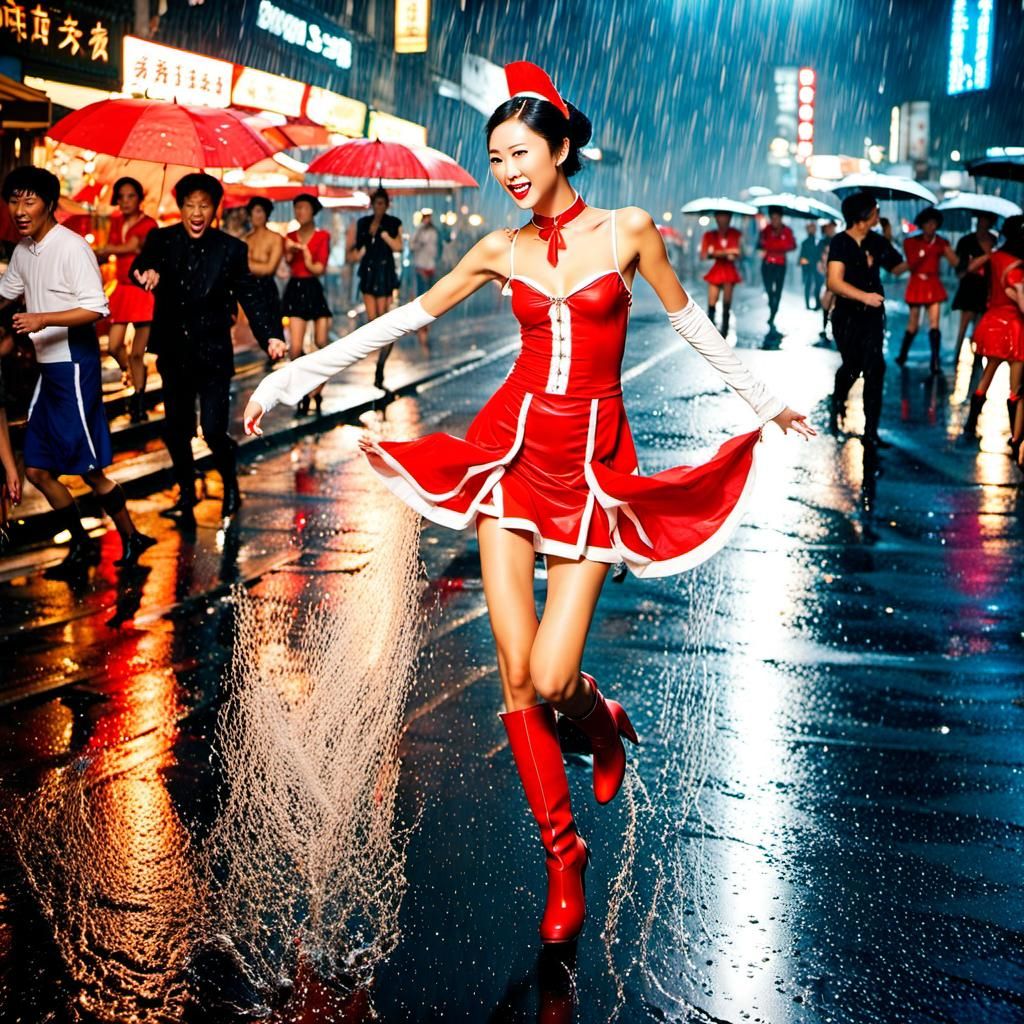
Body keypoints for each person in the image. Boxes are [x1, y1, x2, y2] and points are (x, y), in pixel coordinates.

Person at [244, 61, 813, 946]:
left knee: (554, 678)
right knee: (516, 680)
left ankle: (600, 720)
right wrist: (292, 377)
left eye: (520, 152)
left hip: (591, 467)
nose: (508, 169)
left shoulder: (628, 231)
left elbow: (692, 322)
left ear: (560, 150)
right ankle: (563, 857)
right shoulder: (497, 249)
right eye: (496, 156)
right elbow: (401, 320)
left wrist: (763, 400)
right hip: (510, 460)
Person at [0, 166, 154, 572]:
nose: (20, 209)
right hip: (46, 372)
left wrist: (42, 319)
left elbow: (96, 307)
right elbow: (6, 294)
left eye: (29, 200)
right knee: (36, 469)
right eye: (14, 200)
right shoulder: (22, 251)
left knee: (89, 471)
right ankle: (82, 544)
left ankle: (131, 535)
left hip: (73, 367)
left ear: (49, 204)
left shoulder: (71, 247)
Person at [130, 173, 286, 531]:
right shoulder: (162, 239)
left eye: (204, 206)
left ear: (214, 210)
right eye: (190, 205)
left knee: (213, 430)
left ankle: (230, 483)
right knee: (176, 429)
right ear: (181, 208)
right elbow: (137, 266)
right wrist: (147, 272)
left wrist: (270, 337)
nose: (197, 213)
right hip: (173, 351)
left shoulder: (232, 249)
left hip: (214, 353)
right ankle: (187, 490)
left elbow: (251, 294)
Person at [826, 191, 909, 447]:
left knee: (875, 369)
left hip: (872, 317)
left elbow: (898, 267)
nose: (879, 214)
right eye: (876, 209)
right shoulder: (841, 242)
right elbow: (834, 282)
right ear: (863, 216)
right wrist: (864, 296)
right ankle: (838, 400)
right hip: (846, 316)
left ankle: (871, 432)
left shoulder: (876, 241)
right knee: (852, 365)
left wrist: (891, 237)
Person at [94, 176, 157, 423]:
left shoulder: (149, 224)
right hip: (121, 291)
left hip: (142, 290)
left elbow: (131, 246)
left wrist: (106, 250)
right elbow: (115, 247)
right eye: (121, 196)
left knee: (137, 354)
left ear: (139, 198)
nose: (126, 201)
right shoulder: (116, 221)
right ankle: (128, 374)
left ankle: (138, 402)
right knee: (113, 346)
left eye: (131, 196)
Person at [960, 215, 1024, 447]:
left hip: (992, 322)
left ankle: (970, 425)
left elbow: (972, 270)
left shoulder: (996, 257)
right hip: (1015, 327)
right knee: (1015, 387)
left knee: (986, 377)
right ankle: (1016, 437)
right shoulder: (1017, 265)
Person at [281, 193, 332, 414]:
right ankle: (302, 391)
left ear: (313, 211)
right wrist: (291, 251)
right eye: (296, 208)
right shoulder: (290, 236)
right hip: (295, 288)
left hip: (313, 288)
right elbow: (289, 262)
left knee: (321, 343)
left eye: (303, 208)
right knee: (295, 349)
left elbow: (319, 269)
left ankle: (318, 388)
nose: (299, 212)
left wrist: (306, 254)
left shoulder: (323, 235)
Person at [348, 188, 403, 388]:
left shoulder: (393, 222)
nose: (379, 207)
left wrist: (385, 236)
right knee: (373, 323)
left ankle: (381, 364)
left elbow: (398, 246)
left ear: (387, 205)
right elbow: (355, 251)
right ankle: (380, 359)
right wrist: (365, 242)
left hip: (384, 271)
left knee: (384, 321)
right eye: (376, 203)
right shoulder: (363, 223)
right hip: (369, 272)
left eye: (382, 203)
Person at [894, 208, 957, 374]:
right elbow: (912, 262)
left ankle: (935, 361)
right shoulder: (912, 242)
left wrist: (950, 250)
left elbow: (954, 261)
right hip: (917, 282)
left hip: (932, 283)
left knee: (934, 323)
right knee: (913, 323)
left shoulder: (941, 243)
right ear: (922, 225)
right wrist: (925, 250)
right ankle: (902, 355)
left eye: (934, 224)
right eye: (928, 223)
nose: (932, 227)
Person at [951, 212, 997, 370]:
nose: (982, 224)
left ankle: (977, 356)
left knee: (980, 326)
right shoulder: (967, 241)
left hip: (986, 287)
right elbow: (963, 267)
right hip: (969, 287)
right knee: (964, 324)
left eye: (986, 221)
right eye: (980, 221)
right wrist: (985, 257)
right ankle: (956, 355)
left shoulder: (995, 241)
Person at [243, 196, 285, 365]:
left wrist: (248, 264)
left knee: (273, 326)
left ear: (266, 214)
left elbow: (269, 269)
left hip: (267, 287)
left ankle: (277, 355)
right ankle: (271, 353)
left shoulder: (275, 238)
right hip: (251, 288)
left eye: (260, 211)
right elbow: (242, 269)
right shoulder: (246, 240)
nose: (256, 215)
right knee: (257, 327)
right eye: (253, 212)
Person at [699, 211, 742, 335]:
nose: (723, 221)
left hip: (729, 271)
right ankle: (711, 329)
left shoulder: (735, 234)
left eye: (726, 218)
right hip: (716, 270)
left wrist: (718, 252)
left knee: (726, 304)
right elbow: (704, 254)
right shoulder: (710, 235)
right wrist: (727, 252)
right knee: (712, 301)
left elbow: (738, 252)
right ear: (716, 219)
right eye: (720, 218)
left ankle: (724, 330)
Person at [758, 206, 796, 333]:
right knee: (769, 290)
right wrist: (776, 246)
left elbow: (792, 245)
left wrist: (776, 245)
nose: (774, 220)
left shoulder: (787, 231)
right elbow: (761, 245)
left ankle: (773, 314)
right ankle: (772, 306)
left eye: (776, 218)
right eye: (772, 218)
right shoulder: (765, 231)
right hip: (767, 264)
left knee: (778, 291)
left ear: (780, 218)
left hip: (780, 265)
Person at [409, 209, 441, 349]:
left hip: (431, 266)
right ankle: (420, 323)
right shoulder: (419, 231)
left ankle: (425, 323)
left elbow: (439, 247)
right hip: (420, 266)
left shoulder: (435, 231)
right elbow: (411, 246)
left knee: (431, 296)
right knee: (421, 296)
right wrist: (419, 244)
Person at [817, 221, 837, 342]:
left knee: (833, 306)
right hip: (828, 278)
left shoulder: (838, 241)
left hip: (836, 278)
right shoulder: (822, 243)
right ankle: (826, 328)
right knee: (826, 305)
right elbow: (819, 262)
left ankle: (833, 330)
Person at [798, 221, 821, 311]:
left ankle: (817, 303)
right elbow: (802, 256)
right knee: (808, 285)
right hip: (808, 267)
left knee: (817, 285)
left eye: (813, 228)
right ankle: (808, 304)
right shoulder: (805, 243)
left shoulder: (818, 242)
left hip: (815, 267)